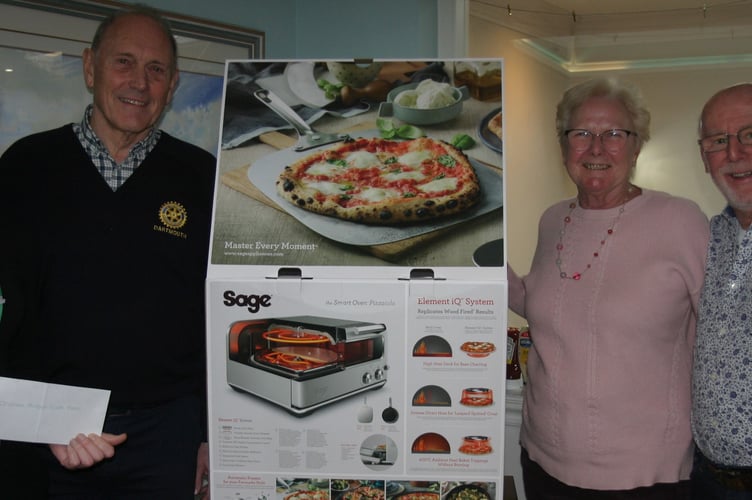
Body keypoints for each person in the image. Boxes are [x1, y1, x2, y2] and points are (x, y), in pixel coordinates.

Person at [0, 5, 215, 499]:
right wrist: (41, 417)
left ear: (173, 84)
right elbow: (9, 314)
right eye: (124, 62)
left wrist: (209, 432)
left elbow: (211, 314)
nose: (139, 82)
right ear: (89, 67)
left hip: (169, 435)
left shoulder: (202, 176)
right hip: (52, 437)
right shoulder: (24, 168)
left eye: (156, 69)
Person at [507, 77, 709, 499]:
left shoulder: (679, 220)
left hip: (647, 474)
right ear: (564, 147)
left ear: (637, 146)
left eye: (614, 134)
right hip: (544, 457)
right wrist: (479, 263)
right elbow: (544, 306)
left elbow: (723, 330)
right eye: (581, 133)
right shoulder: (552, 219)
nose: (596, 148)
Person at [691, 83, 752, 498]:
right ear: (704, 156)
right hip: (707, 479)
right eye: (719, 140)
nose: (734, 153)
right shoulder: (704, 239)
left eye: (751, 134)